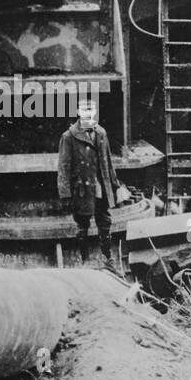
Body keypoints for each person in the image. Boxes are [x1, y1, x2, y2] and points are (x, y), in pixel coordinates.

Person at [57, 98, 128, 266]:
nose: (89, 117)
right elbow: (63, 167)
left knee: (105, 223)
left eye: (91, 113)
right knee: (82, 226)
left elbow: (108, 162)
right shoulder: (68, 137)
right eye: (85, 113)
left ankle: (107, 256)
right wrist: (65, 194)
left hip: (101, 188)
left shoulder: (101, 133)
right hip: (82, 190)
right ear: (79, 113)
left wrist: (116, 186)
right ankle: (85, 259)